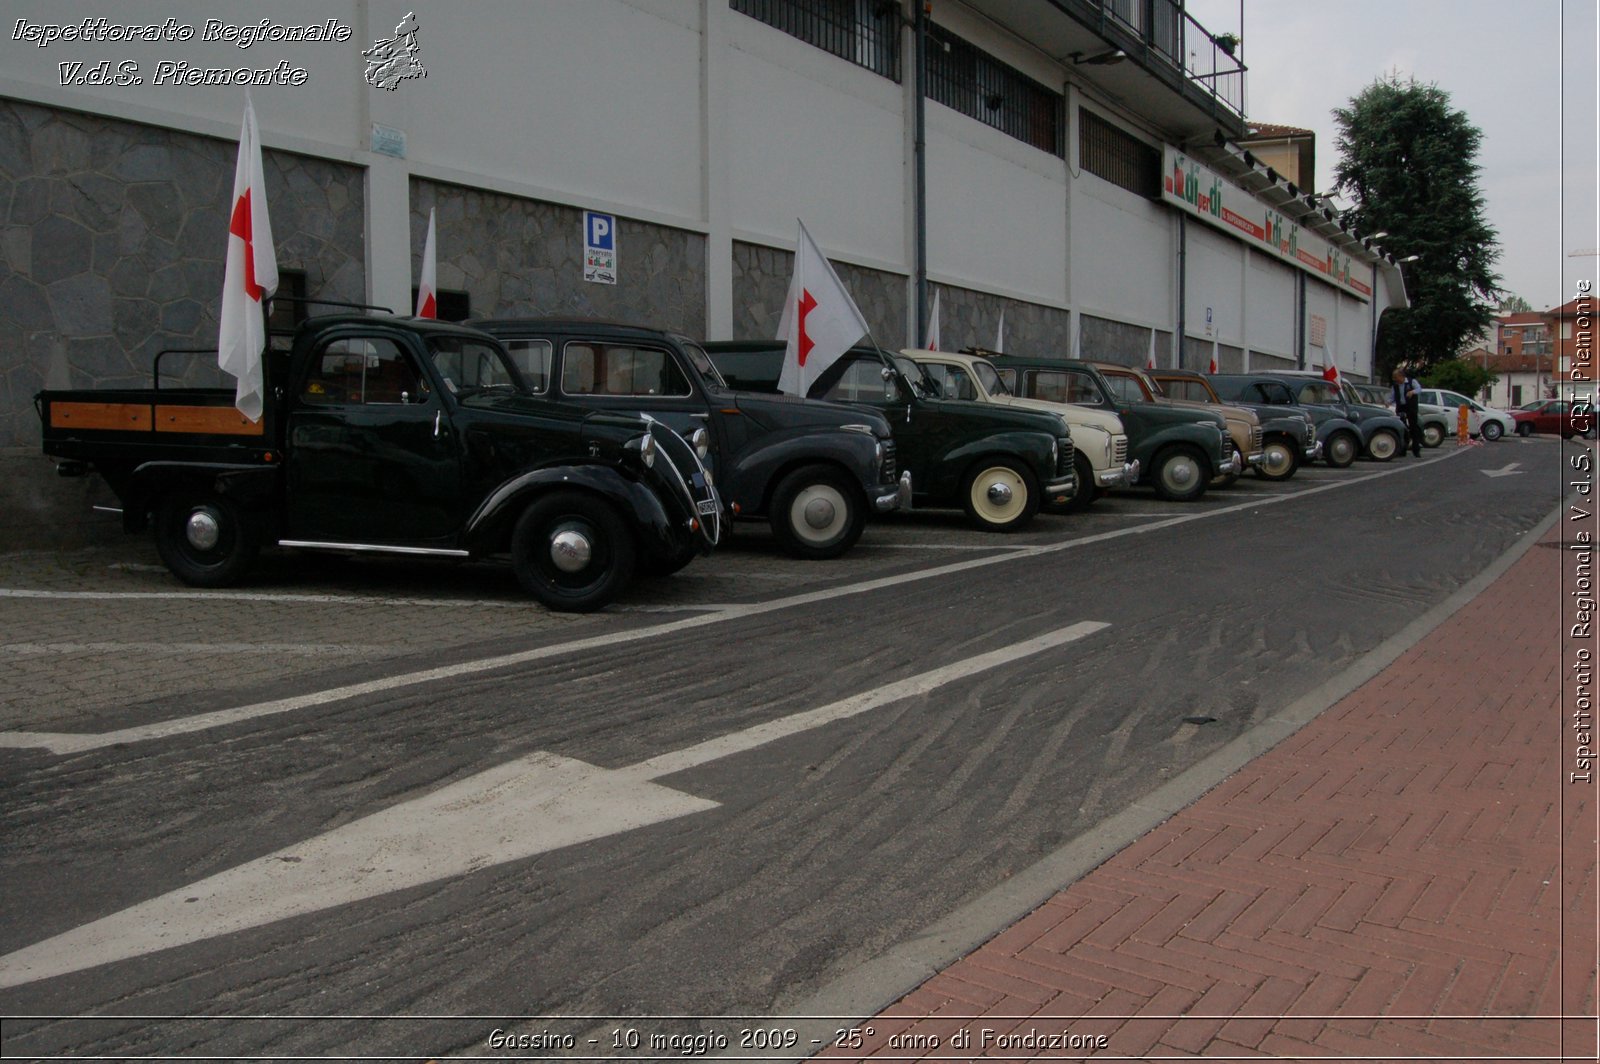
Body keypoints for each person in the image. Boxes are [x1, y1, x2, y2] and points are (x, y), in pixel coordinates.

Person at [1392, 365, 1423, 457]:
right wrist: (1388, 402)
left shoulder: (1411, 381)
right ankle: (1403, 449)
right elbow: (1392, 396)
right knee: (1402, 428)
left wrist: (1412, 392)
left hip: (1411, 408)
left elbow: (1419, 389)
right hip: (1401, 407)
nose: (1395, 380)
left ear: (1401, 376)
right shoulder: (1395, 386)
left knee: (1414, 428)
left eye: (1396, 377)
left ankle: (1416, 450)